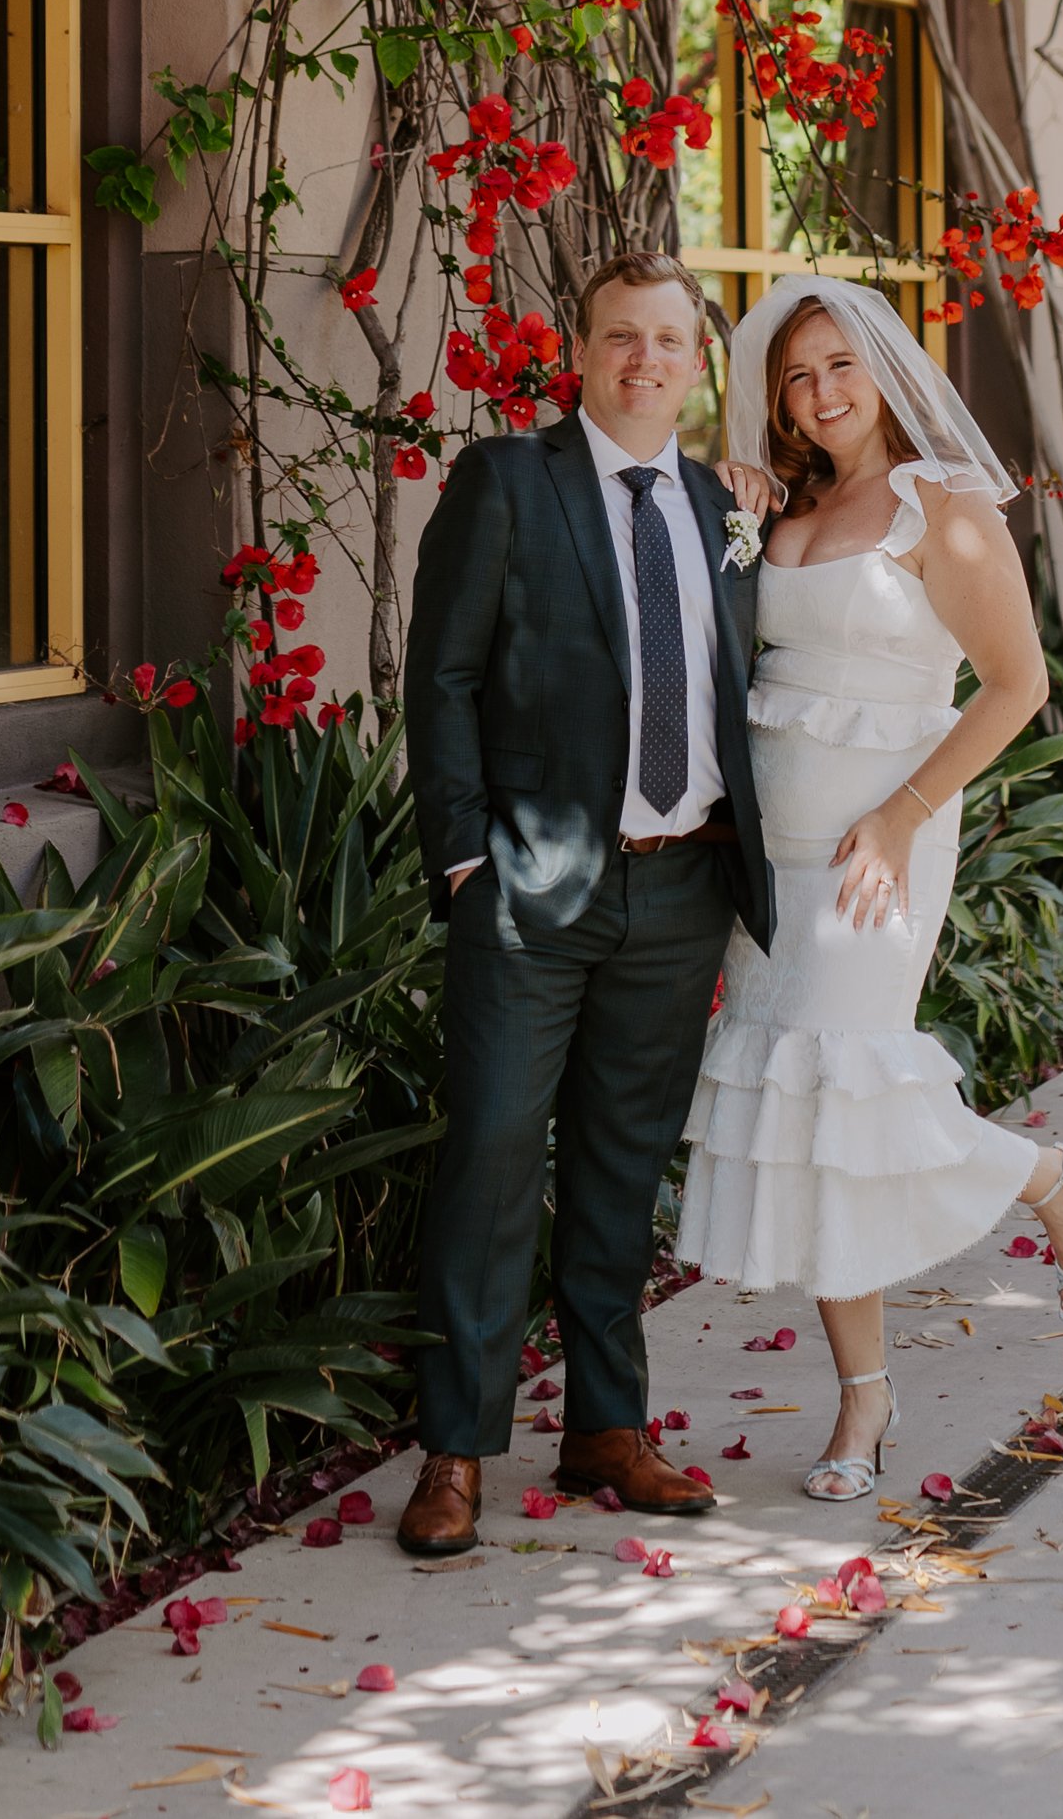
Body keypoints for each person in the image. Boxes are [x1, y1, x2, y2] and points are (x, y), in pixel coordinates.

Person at [676, 271, 1063, 1502]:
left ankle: (1052, 1177)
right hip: (771, 852)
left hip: (884, 844)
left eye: (839, 367)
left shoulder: (943, 506)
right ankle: (862, 1403)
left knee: (853, 1075)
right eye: (796, 378)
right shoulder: (784, 504)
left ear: (883, 367)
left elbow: (1016, 686)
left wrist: (898, 815)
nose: (820, 395)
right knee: (817, 1115)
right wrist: (736, 503)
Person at [395, 252, 781, 1559]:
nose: (647, 360)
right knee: (495, 1157)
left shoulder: (727, 504)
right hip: (530, 889)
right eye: (624, 336)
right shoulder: (508, 483)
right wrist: (461, 861)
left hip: (681, 888)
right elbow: (437, 675)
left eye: (671, 339)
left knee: (623, 1168)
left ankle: (608, 1424)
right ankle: (455, 1448)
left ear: (695, 358)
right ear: (584, 349)